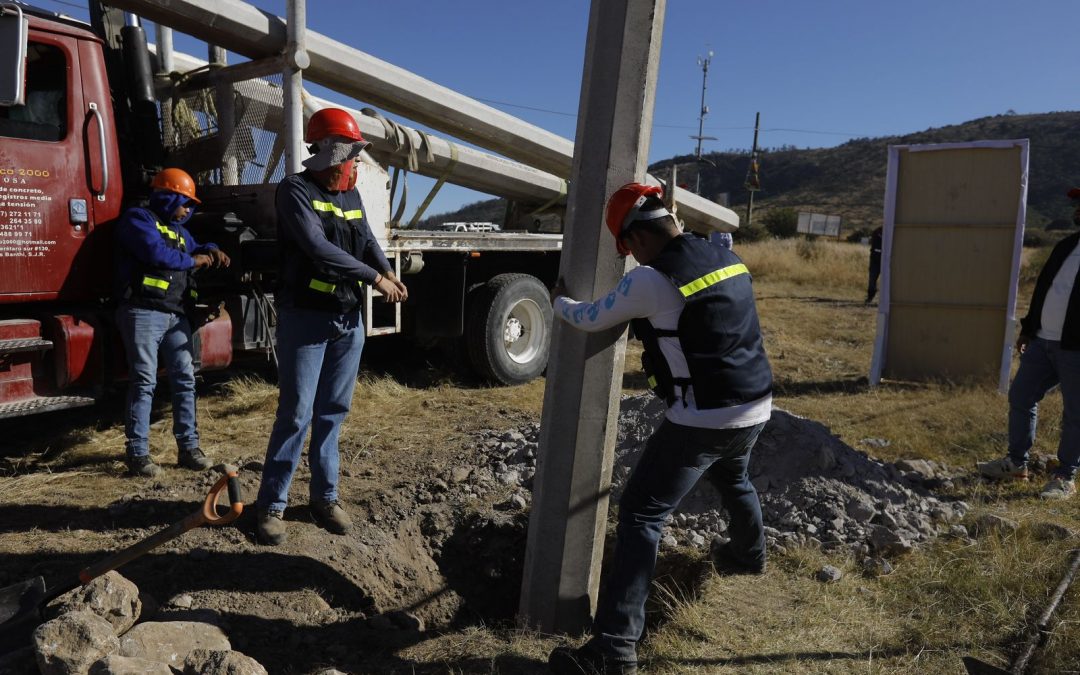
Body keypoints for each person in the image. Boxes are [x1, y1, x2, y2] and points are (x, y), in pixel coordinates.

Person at [547, 183, 773, 675]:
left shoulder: (651, 280)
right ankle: (749, 556)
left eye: (626, 249)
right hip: (755, 406)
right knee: (734, 477)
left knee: (641, 514)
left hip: (702, 419)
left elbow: (591, 318)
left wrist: (559, 303)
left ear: (637, 238)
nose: (628, 258)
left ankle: (614, 649)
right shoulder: (722, 255)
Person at [255, 108, 408, 546]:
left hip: (347, 320)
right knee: (297, 413)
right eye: (352, 156)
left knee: (333, 413)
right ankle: (271, 505)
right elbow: (318, 248)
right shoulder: (295, 191)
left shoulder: (350, 196)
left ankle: (325, 497)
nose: (355, 165)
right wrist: (375, 279)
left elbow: (368, 240)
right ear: (330, 152)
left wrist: (386, 270)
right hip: (305, 317)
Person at [115, 168, 230, 477]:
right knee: (144, 383)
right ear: (167, 197)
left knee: (185, 380)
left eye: (190, 205)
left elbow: (193, 247)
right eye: (184, 203)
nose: (187, 210)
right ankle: (138, 454)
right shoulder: (138, 220)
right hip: (143, 312)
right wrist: (194, 260)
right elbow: (156, 254)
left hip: (176, 315)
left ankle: (189, 448)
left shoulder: (179, 231)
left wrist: (209, 250)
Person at [977, 187, 1080, 500]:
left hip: (1076, 349)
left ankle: (1065, 476)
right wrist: (1029, 329)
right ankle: (1017, 463)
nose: (1076, 209)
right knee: (1021, 396)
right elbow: (1044, 292)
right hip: (1043, 342)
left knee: (1075, 413)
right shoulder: (1066, 246)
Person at [866, 226, 883, 303]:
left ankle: (882, 299)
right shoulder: (876, 233)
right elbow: (873, 247)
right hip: (875, 261)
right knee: (872, 281)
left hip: (885, 261)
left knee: (886, 282)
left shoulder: (890, 233)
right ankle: (870, 297)